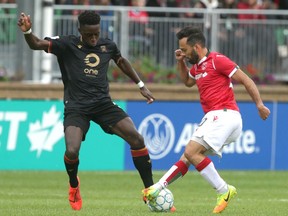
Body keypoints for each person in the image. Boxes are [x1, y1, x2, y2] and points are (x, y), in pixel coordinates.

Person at [17, 10, 156, 211]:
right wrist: (27, 31)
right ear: (80, 30)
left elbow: (121, 61)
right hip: (76, 106)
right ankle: (74, 185)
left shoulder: (107, 45)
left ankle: (150, 191)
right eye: (89, 34)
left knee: (137, 139)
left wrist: (141, 84)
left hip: (103, 104)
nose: (93, 38)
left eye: (96, 34)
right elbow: (36, 44)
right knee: (72, 151)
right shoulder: (66, 44)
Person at [142, 26, 270, 214]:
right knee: (187, 157)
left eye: (185, 50)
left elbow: (246, 79)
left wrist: (259, 104)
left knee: (191, 151)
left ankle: (224, 190)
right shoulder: (197, 67)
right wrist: (180, 63)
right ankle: (157, 188)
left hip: (225, 115)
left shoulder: (217, 61)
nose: (183, 54)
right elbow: (187, 82)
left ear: (197, 47)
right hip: (217, 117)